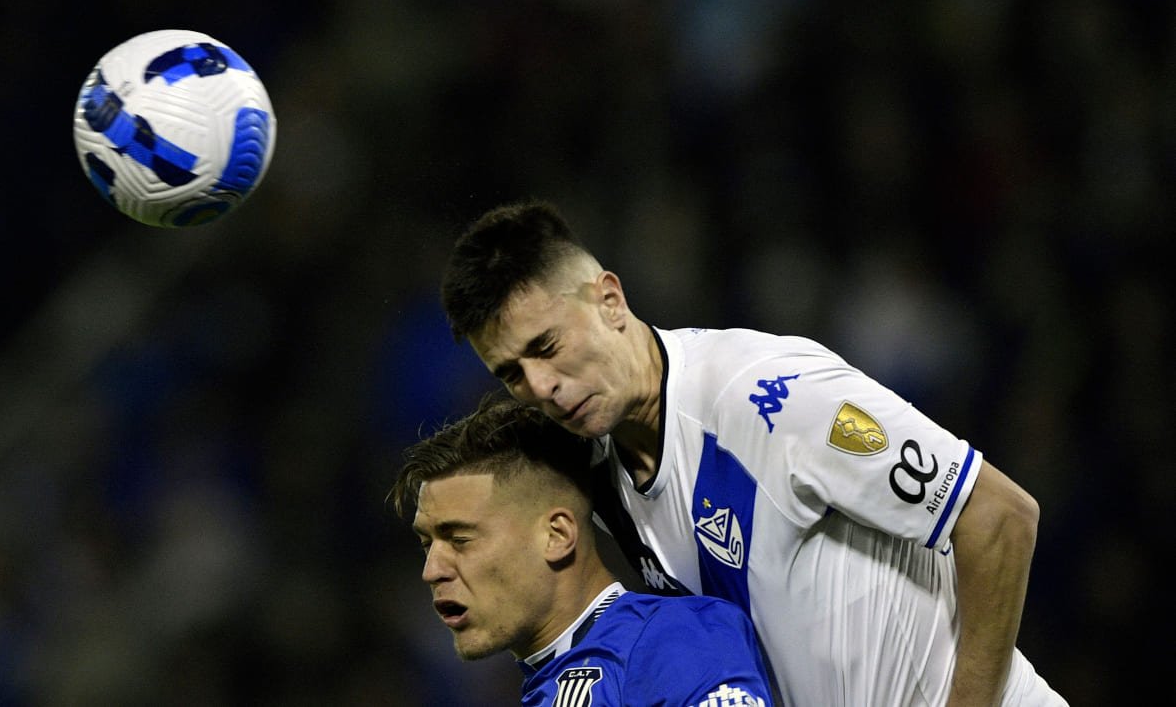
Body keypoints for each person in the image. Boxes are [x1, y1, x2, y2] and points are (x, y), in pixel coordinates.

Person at [439, 200, 1068, 707]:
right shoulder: (600, 476)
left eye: (547, 346)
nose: (540, 387)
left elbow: (1000, 517)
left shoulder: (767, 397)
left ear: (609, 300)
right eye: (512, 374)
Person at [388, 393, 774, 707]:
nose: (432, 569)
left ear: (557, 535)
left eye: (459, 540)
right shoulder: (552, 681)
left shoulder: (673, 638)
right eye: (427, 543)